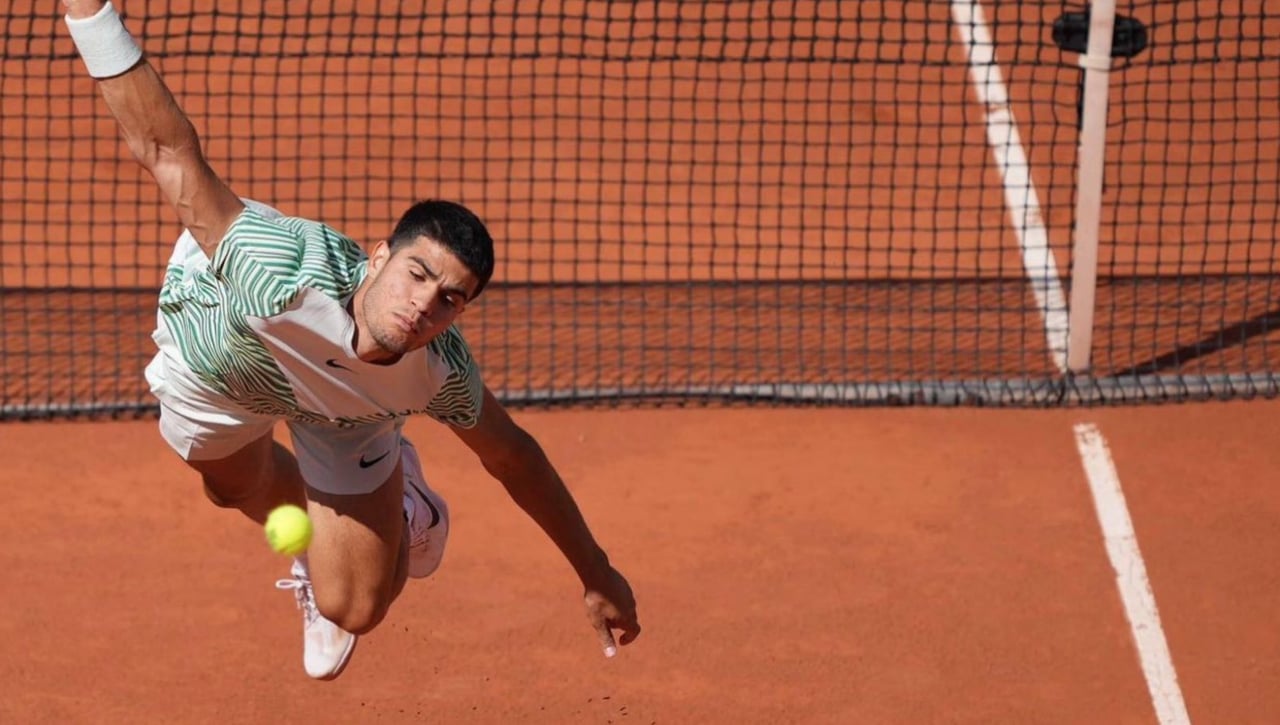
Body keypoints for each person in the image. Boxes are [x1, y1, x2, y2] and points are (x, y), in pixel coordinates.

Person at [60, 0, 641, 680]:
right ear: (377, 258)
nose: (423, 304)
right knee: (230, 486)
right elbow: (166, 149)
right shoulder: (276, 274)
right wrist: (90, 14)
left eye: (450, 298)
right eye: (416, 273)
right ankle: (329, 524)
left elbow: (514, 457)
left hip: (347, 412)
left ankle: (399, 500)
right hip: (217, 360)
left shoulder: (436, 372)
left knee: (356, 605)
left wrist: (594, 570)